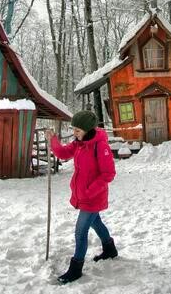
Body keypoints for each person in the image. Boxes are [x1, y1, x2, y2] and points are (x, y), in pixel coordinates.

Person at [46, 110, 117, 284]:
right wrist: (53, 140)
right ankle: (110, 249)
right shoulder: (79, 143)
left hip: (93, 197)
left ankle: (76, 269)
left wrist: (88, 191)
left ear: (88, 130)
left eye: (78, 130)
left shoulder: (100, 146)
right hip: (83, 195)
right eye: (74, 129)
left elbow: (108, 174)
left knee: (80, 232)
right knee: (96, 223)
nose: (75, 133)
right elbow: (63, 153)